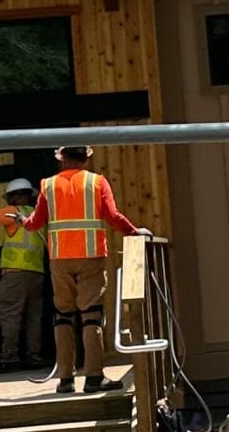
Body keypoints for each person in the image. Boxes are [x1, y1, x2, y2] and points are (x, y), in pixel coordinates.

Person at [25, 144, 143, 394]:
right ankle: (93, 377)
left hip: (59, 259)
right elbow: (112, 215)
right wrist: (134, 232)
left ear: (63, 159)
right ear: (86, 159)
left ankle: (66, 379)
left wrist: (23, 222)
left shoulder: (47, 185)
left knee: (63, 317)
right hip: (91, 256)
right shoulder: (97, 182)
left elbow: (35, 223)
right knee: (91, 316)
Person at [0, 177, 48, 374]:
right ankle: (34, 356)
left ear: (16, 197)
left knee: (10, 315)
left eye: (10, 197)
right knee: (34, 317)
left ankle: (10, 356)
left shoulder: (13, 213)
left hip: (14, 273)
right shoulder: (40, 216)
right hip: (37, 273)